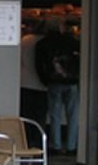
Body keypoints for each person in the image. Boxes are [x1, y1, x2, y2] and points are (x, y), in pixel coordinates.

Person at [34, 16, 80, 154]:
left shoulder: (43, 43)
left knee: (55, 114)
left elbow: (39, 65)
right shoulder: (72, 42)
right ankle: (71, 146)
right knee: (73, 114)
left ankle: (56, 145)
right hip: (72, 81)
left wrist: (44, 80)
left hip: (53, 82)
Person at [19, 18, 48, 141]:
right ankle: (39, 140)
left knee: (26, 114)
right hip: (42, 84)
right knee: (40, 115)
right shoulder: (46, 41)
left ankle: (26, 139)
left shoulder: (25, 40)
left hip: (25, 81)